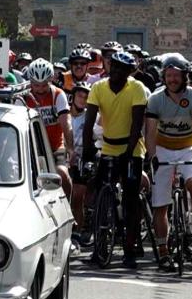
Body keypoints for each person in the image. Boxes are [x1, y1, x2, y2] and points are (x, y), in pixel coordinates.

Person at [81, 51, 147, 268]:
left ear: (129, 72)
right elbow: (89, 122)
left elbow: (137, 124)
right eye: (114, 66)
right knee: (100, 188)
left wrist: (128, 152)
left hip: (131, 147)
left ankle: (129, 247)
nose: (116, 71)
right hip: (109, 144)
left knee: (130, 198)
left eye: (122, 68)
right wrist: (88, 148)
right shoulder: (98, 87)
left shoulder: (135, 88)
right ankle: (98, 244)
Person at [144, 55, 192, 272]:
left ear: (184, 76)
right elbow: (150, 131)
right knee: (160, 204)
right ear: (164, 76)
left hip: (188, 148)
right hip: (163, 149)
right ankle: (163, 252)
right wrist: (152, 156)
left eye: (176, 75)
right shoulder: (155, 99)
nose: (172, 79)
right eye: (168, 75)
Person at [18, 58, 75, 198]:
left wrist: (71, 148)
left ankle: (69, 206)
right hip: (32, 147)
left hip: (56, 145)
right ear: (30, 82)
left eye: (44, 85)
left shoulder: (58, 94)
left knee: (62, 173)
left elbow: (66, 123)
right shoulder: (23, 98)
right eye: (36, 85)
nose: (40, 89)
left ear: (51, 80)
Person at [67, 81, 93, 246]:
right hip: (65, 157)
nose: (82, 99)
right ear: (73, 96)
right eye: (79, 95)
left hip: (83, 159)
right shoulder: (64, 115)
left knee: (77, 197)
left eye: (85, 97)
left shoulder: (90, 116)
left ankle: (78, 231)